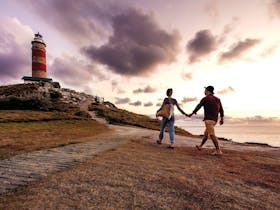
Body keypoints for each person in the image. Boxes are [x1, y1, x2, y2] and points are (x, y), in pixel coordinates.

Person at [189, 86, 224, 155]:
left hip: (208, 120)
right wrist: (222, 119)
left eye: (205, 90)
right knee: (206, 133)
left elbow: (198, 106)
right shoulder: (217, 99)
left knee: (212, 135)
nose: (204, 92)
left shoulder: (205, 99)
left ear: (208, 91)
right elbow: (221, 110)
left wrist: (192, 113)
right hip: (214, 120)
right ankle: (200, 146)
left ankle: (218, 150)